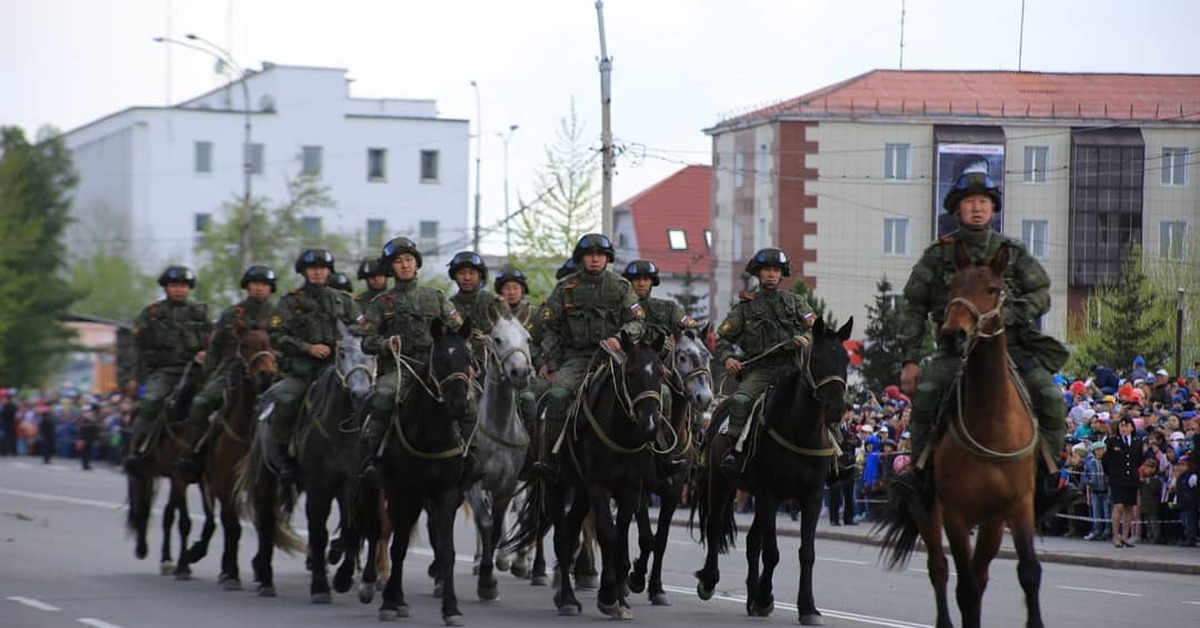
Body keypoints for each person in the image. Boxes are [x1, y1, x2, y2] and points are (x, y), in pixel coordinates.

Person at [894, 169, 1080, 513]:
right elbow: (915, 307)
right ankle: (918, 476)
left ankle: (1046, 479)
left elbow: (1041, 292)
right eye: (969, 202)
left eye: (984, 202)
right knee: (928, 397)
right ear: (956, 210)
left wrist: (1008, 314)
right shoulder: (938, 255)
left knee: (1051, 398)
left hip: (1011, 346)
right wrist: (910, 360)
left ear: (993, 209)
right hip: (956, 349)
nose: (977, 208)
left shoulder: (1012, 252)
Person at [716, 248, 850, 480]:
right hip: (760, 370)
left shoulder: (796, 303)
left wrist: (805, 339)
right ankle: (734, 454)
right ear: (758, 274)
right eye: (766, 270)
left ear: (782, 274)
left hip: (794, 368)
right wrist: (728, 358)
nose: (771, 274)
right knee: (740, 401)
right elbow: (723, 338)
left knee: (825, 398)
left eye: (775, 270)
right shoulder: (745, 308)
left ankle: (837, 459)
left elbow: (817, 330)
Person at [533, 234, 645, 478]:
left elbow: (637, 322)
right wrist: (551, 363)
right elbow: (550, 327)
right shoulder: (564, 288)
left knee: (648, 390)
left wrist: (620, 336)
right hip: (578, 357)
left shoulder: (621, 287)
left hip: (614, 355)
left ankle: (655, 454)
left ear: (607, 258)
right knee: (559, 394)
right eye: (590, 255)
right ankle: (551, 458)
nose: (595, 259)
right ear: (581, 258)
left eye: (600, 255)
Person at [359, 237, 469, 484]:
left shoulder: (437, 297)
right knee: (384, 395)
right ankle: (373, 457)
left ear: (417, 264)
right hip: (401, 368)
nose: (405, 265)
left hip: (435, 368)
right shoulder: (380, 303)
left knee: (467, 399)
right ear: (391, 268)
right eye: (398, 262)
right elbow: (366, 342)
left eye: (409, 260)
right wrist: (386, 344)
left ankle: (471, 455)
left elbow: (458, 331)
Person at [177, 265, 279, 482]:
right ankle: (195, 452)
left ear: (270, 289)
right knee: (201, 403)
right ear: (247, 287)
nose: (259, 289)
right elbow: (215, 348)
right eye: (255, 284)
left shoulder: (278, 315)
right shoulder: (231, 314)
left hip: (269, 373)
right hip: (231, 373)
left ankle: (286, 457)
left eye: (264, 285)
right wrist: (210, 375)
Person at [266, 249, 359, 484]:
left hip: (340, 368)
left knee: (365, 397)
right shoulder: (289, 302)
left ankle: (369, 456)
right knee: (286, 400)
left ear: (329, 271)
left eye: (323, 268)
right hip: (303, 370)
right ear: (304, 272)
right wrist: (308, 348)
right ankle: (284, 457)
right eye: (312, 268)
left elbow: (363, 328)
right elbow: (276, 335)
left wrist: (346, 340)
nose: (318, 272)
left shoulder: (345, 301)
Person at [123, 266, 212, 472]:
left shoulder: (200, 312)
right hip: (165, 371)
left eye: (182, 286)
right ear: (166, 288)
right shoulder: (152, 313)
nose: (178, 290)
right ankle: (138, 449)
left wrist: (206, 353)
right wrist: (132, 377)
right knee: (151, 401)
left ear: (189, 288)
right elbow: (135, 346)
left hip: (197, 371)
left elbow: (214, 341)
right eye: (173, 286)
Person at [621, 258, 699, 475]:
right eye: (636, 279)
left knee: (689, 397)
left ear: (652, 282)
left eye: (645, 279)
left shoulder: (666, 308)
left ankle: (678, 451)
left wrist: (678, 337)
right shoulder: (621, 308)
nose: (640, 284)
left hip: (662, 369)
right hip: (628, 368)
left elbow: (691, 326)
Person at [446, 250, 506, 486]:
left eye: (471, 273)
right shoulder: (449, 305)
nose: (467, 277)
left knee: (527, 400)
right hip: (463, 371)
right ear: (455, 277)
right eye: (462, 273)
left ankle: (531, 454)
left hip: (498, 368)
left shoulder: (495, 303)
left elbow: (511, 334)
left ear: (480, 275)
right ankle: (465, 455)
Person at [1104, 417, 1142, 548]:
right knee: (1118, 506)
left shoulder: (1137, 442)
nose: (1124, 429)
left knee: (1129, 508)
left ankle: (1125, 537)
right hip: (1117, 478)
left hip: (1131, 478)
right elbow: (1106, 460)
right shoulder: (1112, 441)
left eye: (1126, 426)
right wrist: (1111, 474)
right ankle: (1115, 536)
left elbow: (1139, 460)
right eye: (1121, 426)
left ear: (1132, 427)